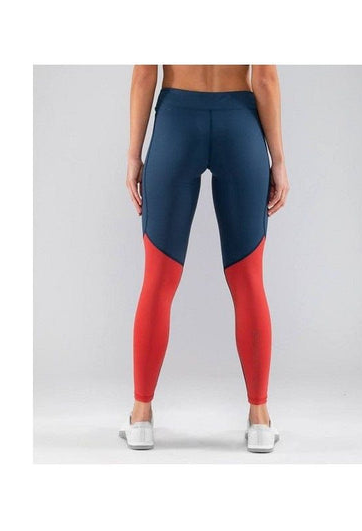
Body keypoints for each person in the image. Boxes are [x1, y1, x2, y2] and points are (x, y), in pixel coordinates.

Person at [119, 65, 289, 452]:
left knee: (158, 278)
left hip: (177, 122)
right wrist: (278, 159)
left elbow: (145, 74)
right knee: (248, 279)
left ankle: (141, 416)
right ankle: (259, 419)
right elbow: (264, 78)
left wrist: (133, 154)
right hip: (240, 125)